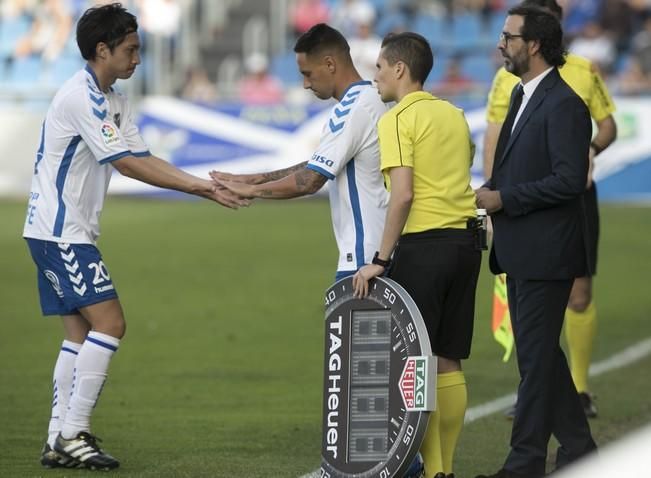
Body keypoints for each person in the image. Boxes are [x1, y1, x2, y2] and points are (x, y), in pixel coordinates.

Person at [23, 3, 247, 471]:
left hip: (62, 231)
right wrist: (198, 187)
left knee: (80, 335)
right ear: (101, 50)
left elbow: (143, 155)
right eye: (130, 49)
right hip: (60, 233)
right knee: (111, 324)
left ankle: (57, 439)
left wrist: (201, 185)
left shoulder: (114, 99)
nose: (138, 58)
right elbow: (125, 163)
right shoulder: (81, 96)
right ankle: (72, 432)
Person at [474, 5, 597, 477]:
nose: (501, 44)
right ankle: (580, 449)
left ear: (535, 45)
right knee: (541, 354)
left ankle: (524, 461)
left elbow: (570, 181)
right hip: (524, 247)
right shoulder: (520, 96)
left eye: (509, 36)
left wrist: (504, 198)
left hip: (549, 251)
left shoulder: (565, 104)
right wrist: (490, 194)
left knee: (534, 358)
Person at [352, 32, 482, 478]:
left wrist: (381, 259)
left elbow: (402, 195)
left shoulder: (395, 119)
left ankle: (435, 472)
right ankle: (446, 467)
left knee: (418, 362)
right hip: (466, 245)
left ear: (400, 69)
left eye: (379, 69)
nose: (376, 78)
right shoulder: (455, 114)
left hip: (424, 246)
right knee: (449, 357)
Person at [213, 23, 389, 281]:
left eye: (307, 73)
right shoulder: (375, 98)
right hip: (387, 249)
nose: (305, 84)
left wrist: (252, 191)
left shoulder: (350, 109)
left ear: (330, 64)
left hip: (362, 258)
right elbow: (322, 164)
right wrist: (257, 178)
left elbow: (310, 180)